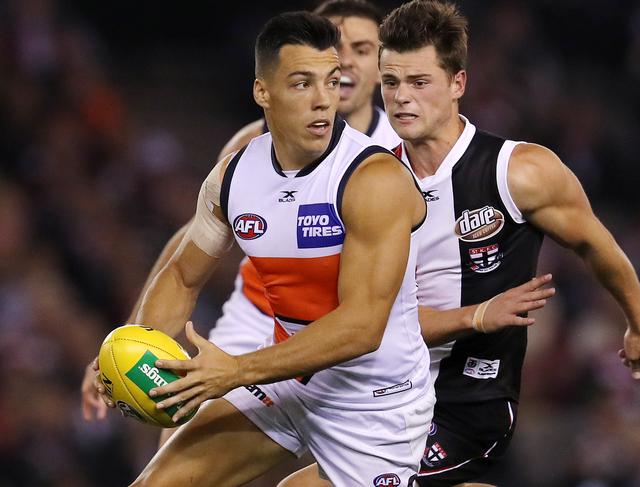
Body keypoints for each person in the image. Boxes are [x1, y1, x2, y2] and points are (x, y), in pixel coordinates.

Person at [278, 1, 640, 486]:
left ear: (458, 84)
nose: (402, 99)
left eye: (419, 83)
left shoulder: (520, 171)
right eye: (391, 83)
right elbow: (370, 324)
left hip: (470, 402)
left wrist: (638, 322)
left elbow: (595, 244)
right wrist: (475, 315)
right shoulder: (367, 185)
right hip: (385, 397)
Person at [100, 11, 439, 486]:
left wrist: (236, 370)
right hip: (287, 381)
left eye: (331, 81)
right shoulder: (232, 176)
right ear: (263, 92)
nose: (325, 100)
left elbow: (362, 326)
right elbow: (182, 276)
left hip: (374, 406)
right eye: (303, 84)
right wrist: (134, 352)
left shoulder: (374, 179)